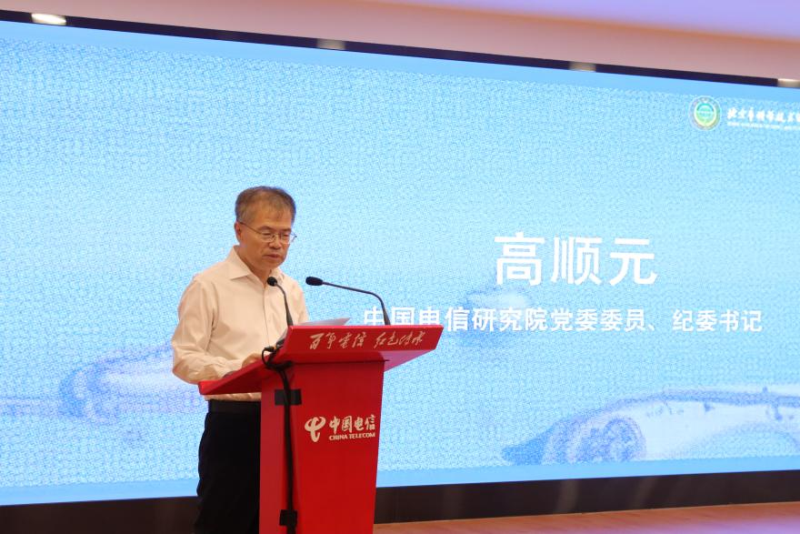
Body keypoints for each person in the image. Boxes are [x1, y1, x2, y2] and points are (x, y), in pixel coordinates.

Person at [172, 186, 309, 534]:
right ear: (239, 230)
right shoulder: (208, 285)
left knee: (278, 523)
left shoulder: (290, 289)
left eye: (285, 234)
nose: (277, 244)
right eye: (267, 233)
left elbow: (302, 354)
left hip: (288, 425)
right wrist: (239, 370)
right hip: (234, 426)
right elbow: (185, 359)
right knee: (225, 522)